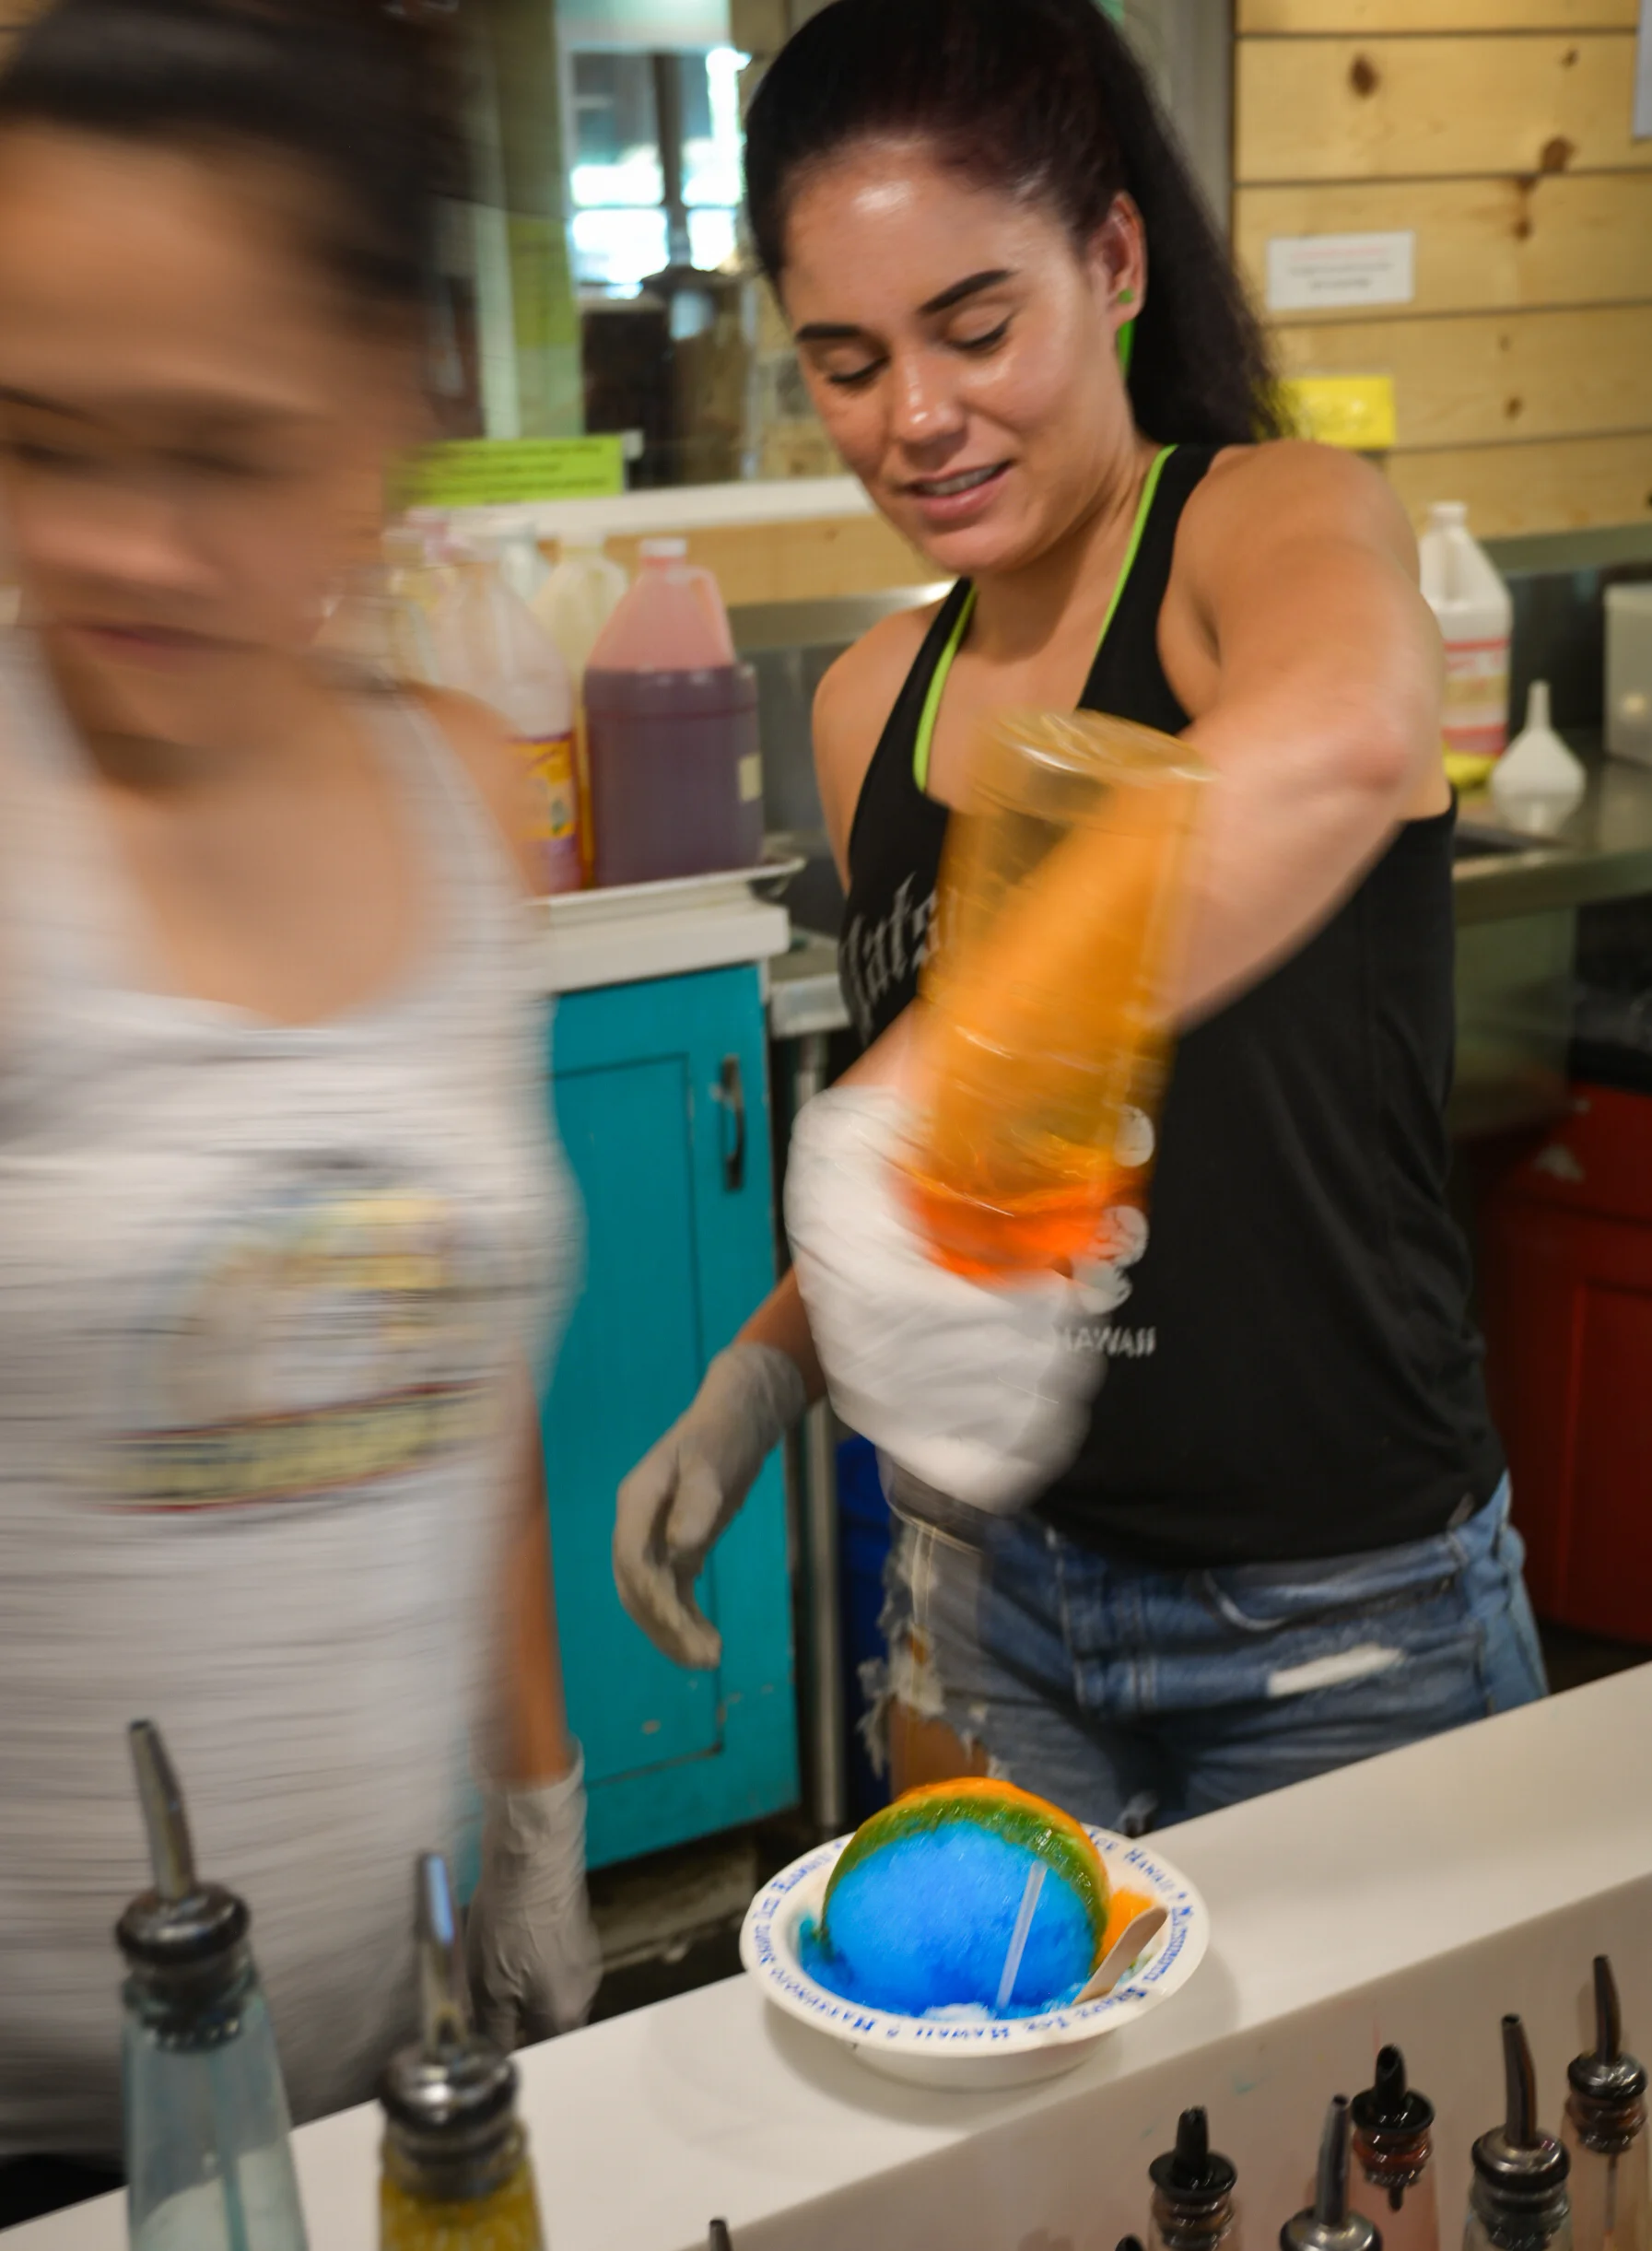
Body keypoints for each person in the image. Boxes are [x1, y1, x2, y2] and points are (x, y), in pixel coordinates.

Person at [615, 0, 1545, 1833]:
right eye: (845, 360)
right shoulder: (870, 697)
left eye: (974, 327)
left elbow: (1351, 727)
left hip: (1338, 1621)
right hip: (987, 1612)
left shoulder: (1254, 535)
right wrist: (751, 1384)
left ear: (1109, 258)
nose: (916, 417)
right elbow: (944, 1178)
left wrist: (953, 1070)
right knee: (1023, 2117)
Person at [0, 0, 599, 2221]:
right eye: (43, 439)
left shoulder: (455, 801)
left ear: (390, 410)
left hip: (371, 2072)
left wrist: (536, 1819)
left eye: (219, 452)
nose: (120, 551)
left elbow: (459, 1385)